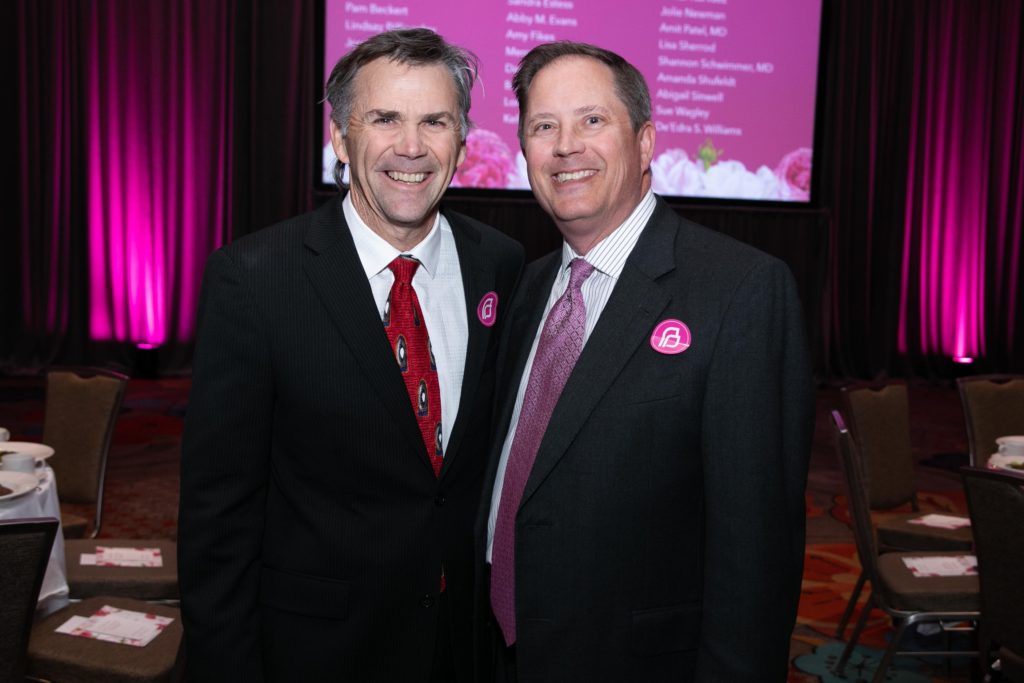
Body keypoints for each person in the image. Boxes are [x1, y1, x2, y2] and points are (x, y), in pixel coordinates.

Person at [179, 28, 523, 682]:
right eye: (385, 118)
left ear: (462, 142)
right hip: (317, 651)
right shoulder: (254, 280)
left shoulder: (501, 266)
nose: (412, 146)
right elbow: (216, 518)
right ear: (340, 138)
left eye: (435, 121)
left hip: (463, 648)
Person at [477, 41, 814, 682]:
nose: (566, 146)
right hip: (500, 653)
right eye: (543, 127)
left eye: (592, 120)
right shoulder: (527, 287)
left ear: (646, 142)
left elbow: (756, 549)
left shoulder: (741, 291)